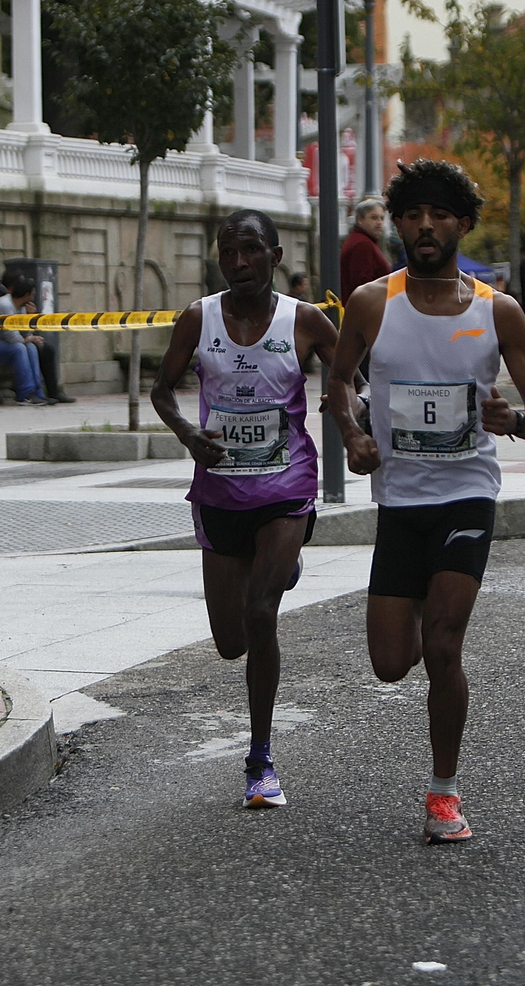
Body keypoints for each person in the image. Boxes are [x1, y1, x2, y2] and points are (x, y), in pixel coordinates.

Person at [328, 159, 525, 844]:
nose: (425, 226)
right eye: (412, 214)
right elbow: (337, 382)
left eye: (440, 214)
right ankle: (426, 597)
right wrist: (351, 433)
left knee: (443, 645)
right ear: (396, 222)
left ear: (461, 222)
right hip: (401, 500)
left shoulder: (498, 309)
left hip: (466, 493)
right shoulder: (372, 301)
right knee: (391, 664)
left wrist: (514, 420)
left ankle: (444, 793)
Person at [151, 210, 339, 810]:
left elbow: (351, 369)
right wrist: (186, 433)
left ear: (276, 256)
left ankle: (260, 759)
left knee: (262, 612)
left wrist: (352, 408)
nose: (239, 263)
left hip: (286, 484)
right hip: (220, 490)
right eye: (228, 252)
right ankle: (279, 566)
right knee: (231, 641)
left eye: (251, 250)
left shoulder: (304, 321)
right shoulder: (198, 318)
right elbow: (161, 390)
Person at [340, 198, 390, 305]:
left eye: (382, 218)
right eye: (374, 218)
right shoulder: (362, 245)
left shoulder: (360, 240)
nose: (379, 223)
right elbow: (364, 285)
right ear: (360, 220)